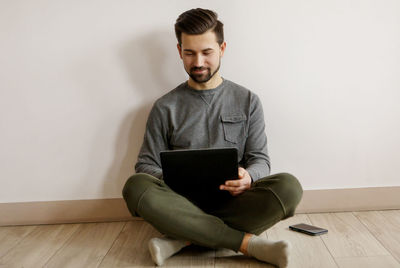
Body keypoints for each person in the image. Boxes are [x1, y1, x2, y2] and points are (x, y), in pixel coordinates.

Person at [122, 8, 303, 268]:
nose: (198, 62)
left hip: (234, 201)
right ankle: (248, 244)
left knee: (288, 187)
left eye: (206, 52)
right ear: (179, 51)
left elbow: (260, 160)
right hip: (179, 203)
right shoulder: (165, 107)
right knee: (135, 186)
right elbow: (145, 165)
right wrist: (172, 179)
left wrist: (249, 177)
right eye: (189, 53)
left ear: (222, 48)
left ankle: (181, 240)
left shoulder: (248, 100)